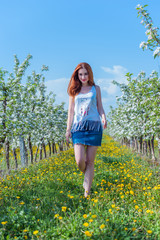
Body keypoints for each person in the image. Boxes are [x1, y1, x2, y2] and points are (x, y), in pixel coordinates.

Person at [66, 62, 107, 197]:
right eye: (80, 74)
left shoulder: (96, 89)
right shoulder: (74, 91)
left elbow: (100, 106)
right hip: (78, 127)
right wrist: (68, 130)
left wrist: (103, 118)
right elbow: (71, 112)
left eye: (85, 74)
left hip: (94, 126)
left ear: (90, 74)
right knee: (80, 161)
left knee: (90, 161)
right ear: (77, 76)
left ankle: (87, 193)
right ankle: (87, 174)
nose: (83, 76)